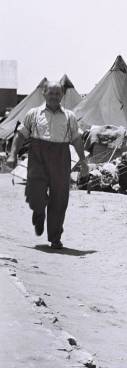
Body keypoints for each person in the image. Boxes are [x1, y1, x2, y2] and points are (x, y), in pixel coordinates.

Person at [6, 81, 89, 249]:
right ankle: (38, 211)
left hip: (61, 156)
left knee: (59, 198)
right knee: (34, 193)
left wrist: (84, 163)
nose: (54, 97)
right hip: (38, 155)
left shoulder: (69, 116)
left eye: (58, 94)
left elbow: (76, 140)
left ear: (62, 96)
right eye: (51, 93)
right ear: (44, 93)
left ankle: (55, 237)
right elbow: (20, 135)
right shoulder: (33, 114)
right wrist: (13, 154)